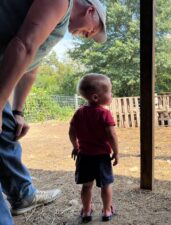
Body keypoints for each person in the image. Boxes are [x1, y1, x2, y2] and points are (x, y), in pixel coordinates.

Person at [0, 0, 107, 224]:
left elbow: (32, 66)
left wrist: (18, 110)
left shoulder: (56, 25)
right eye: (93, 30)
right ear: (90, 10)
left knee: (8, 129)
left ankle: (23, 195)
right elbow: (23, 45)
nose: (87, 36)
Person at [69, 74, 119, 223]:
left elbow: (71, 131)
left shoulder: (79, 112)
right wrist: (116, 151)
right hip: (101, 157)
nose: (111, 94)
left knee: (86, 186)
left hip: (84, 156)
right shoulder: (104, 113)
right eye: (109, 92)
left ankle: (86, 211)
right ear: (96, 97)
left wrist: (75, 146)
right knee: (106, 185)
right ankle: (106, 210)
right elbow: (111, 135)